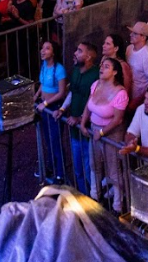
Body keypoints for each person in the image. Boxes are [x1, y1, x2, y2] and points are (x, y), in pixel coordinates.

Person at [81, 56, 129, 211]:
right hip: (95, 130)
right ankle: (95, 193)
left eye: (107, 66)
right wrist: (83, 123)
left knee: (113, 168)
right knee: (94, 163)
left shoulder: (120, 93)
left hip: (112, 134)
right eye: (102, 65)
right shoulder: (96, 85)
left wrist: (102, 132)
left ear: (115, 72)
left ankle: (118, 203)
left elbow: (118, 119)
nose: (101, 68)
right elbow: (88, 106)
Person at [56, 41, 99, 194]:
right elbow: (72, 93)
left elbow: (94, 101)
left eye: (79, 51)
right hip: (75, 130)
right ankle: (83, 197)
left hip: (88, 131)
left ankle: (96, 202)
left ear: (88, 56)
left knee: (90, 169)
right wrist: (62, 109)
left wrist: (81, 118)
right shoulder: (75, 71)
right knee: (78, 169)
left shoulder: (96, 76)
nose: (75, 53)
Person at [35, 41, 69, 183]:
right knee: (48, 140)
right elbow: (42, 84)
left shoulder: (59, 69)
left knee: (55, 141)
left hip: (53, 107)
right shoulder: (44, 66)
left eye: (47, 48)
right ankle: (50, 166)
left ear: (54, 52)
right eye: (42, 48)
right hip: (44, 108)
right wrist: (36, 96)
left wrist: (46, 103)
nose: (43, 51)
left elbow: (61, 93)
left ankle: (60, 173)